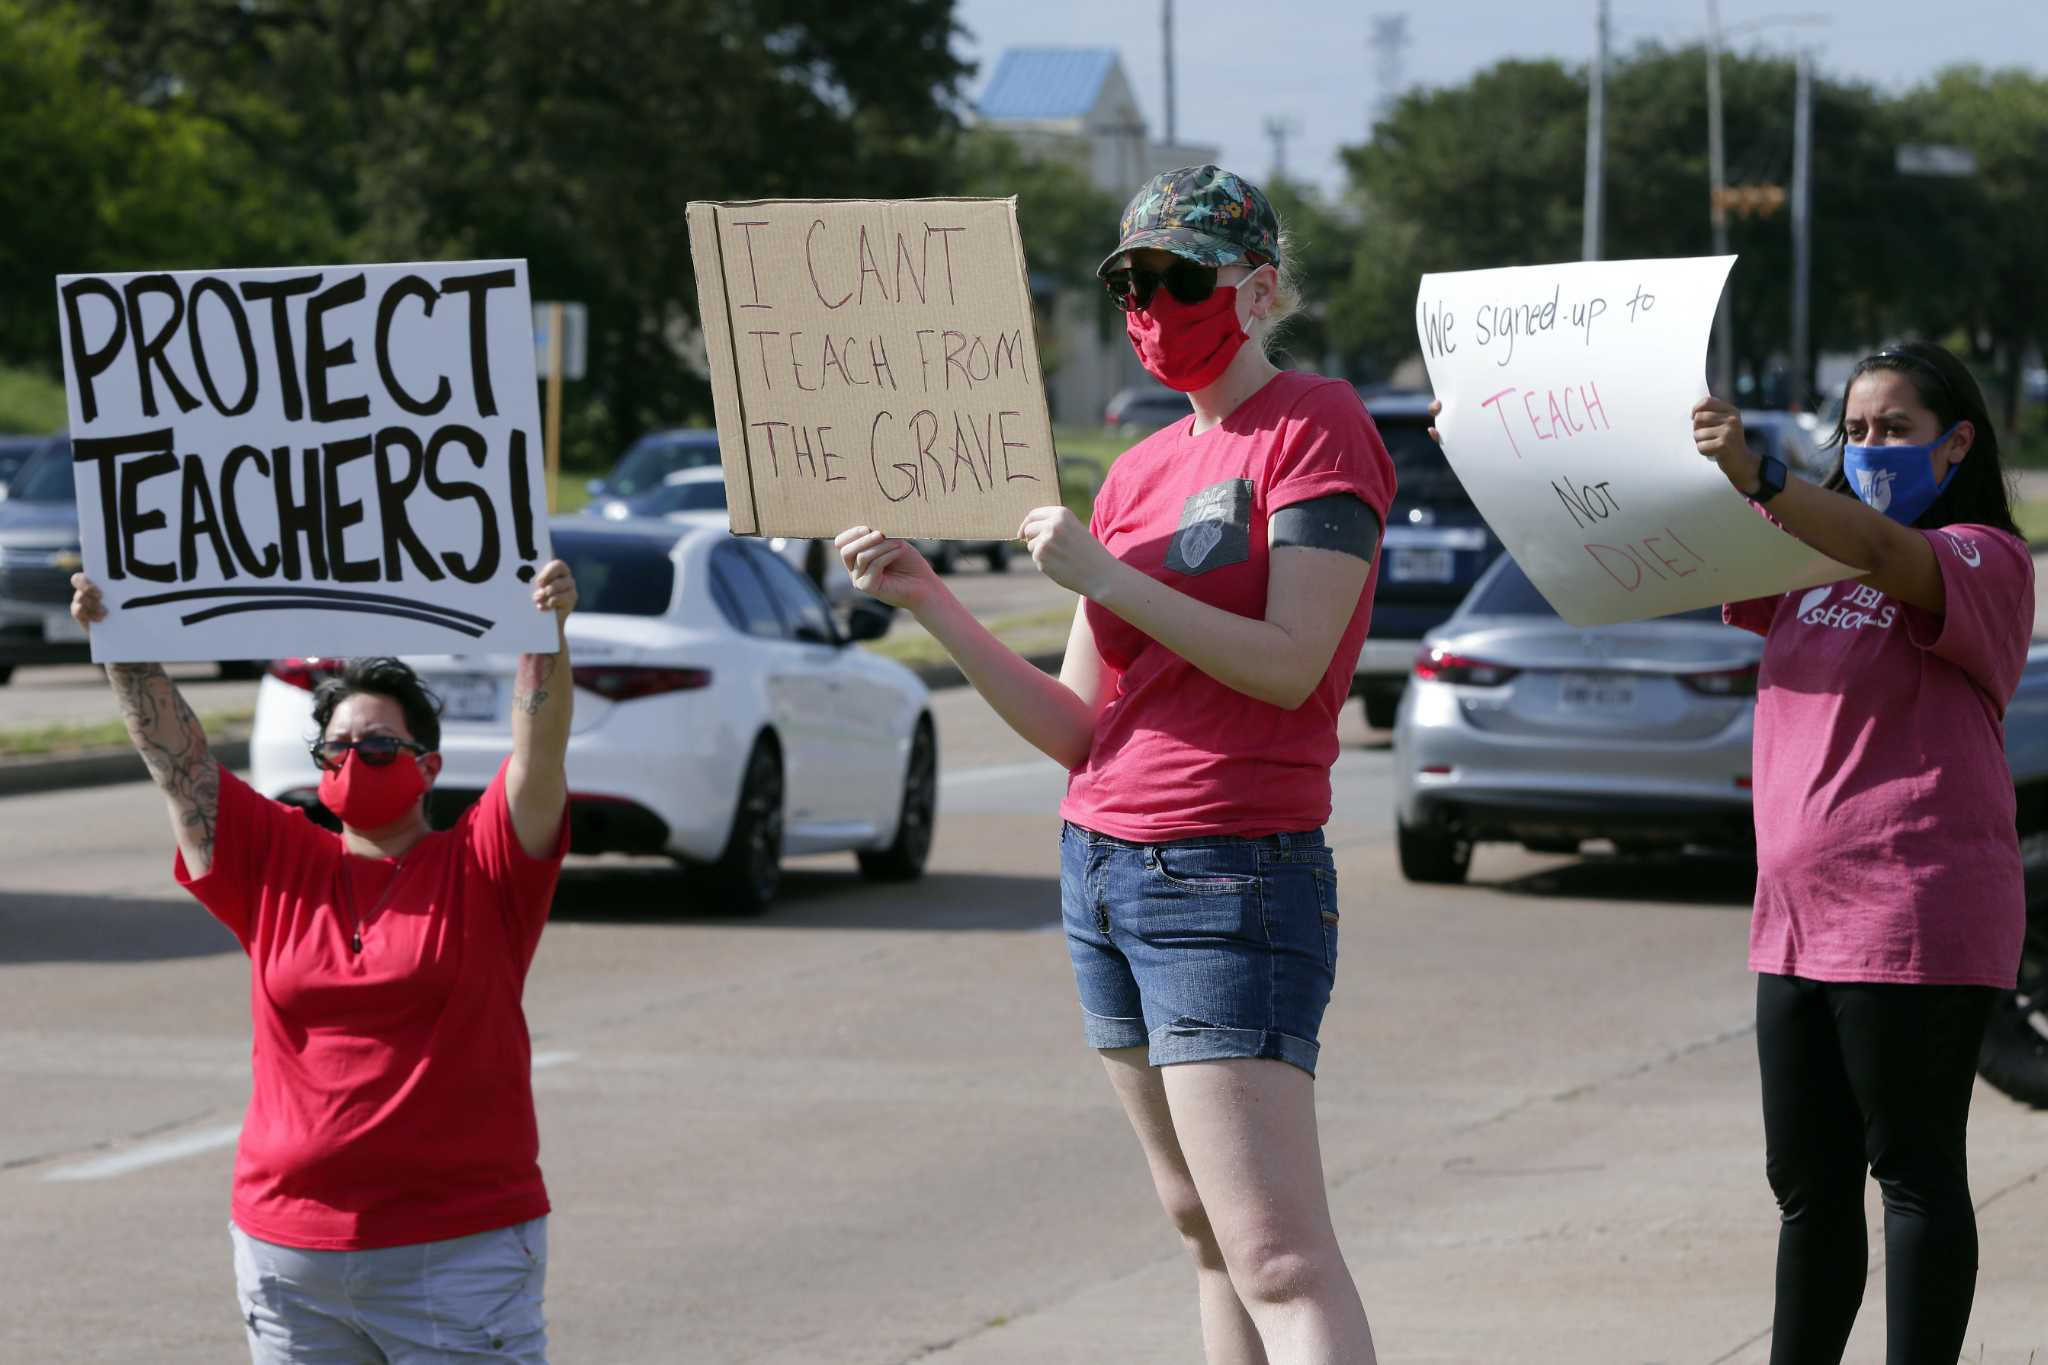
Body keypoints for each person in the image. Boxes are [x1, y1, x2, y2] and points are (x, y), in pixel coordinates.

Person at [839, 165, 1393, 1365]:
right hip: (1103, 864)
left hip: (1230, 871)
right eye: (1127, 282)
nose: (1147, 304)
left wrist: (1104, 577)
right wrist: (930, 598)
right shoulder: (1139, 468)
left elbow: (1295, 663)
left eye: (1174, 278)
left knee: (1278, 1256)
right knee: (1200, 1229)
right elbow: (1076, 729)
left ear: (1253, 292)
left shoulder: (1315, 423)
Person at [70, 562, 580, 1364]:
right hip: (289, 1260)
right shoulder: (275, 859)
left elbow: (538, 753)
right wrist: (123, 645)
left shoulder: (486, 863)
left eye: (379, 743)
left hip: (457, 1255)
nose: (355, 757)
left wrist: (541, 635)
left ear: (430, 766)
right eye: (337, 745)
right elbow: (180, 763)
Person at [1692, 343, 2033, 1364]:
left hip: (1912, 909)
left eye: (1894, 429)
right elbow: (1658, 533)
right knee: (1805, 1188)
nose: (1869, 447)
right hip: (1792, 921)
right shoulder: (1798, 554)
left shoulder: (1981, 556)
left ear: (1956, 442)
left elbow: (1885, 556)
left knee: (1913, 1176)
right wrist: (1513, 455)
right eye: (1852, 430)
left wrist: (1762, 473)